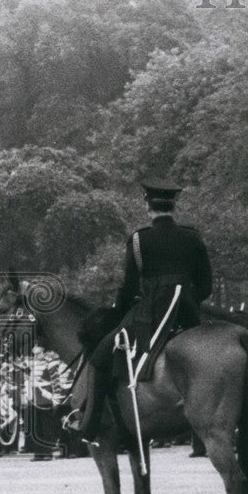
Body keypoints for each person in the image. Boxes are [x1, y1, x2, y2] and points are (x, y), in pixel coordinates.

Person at [70, 179, 212, 443]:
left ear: (148, 206)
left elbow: (129, 286)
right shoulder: (192, 237)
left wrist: (120, 311)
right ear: (173, 207)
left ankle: (89, 425)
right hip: (189, 313)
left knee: (100, 357)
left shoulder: (138, 240)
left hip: (150, 314)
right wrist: (187, 299)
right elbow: (206, 285)